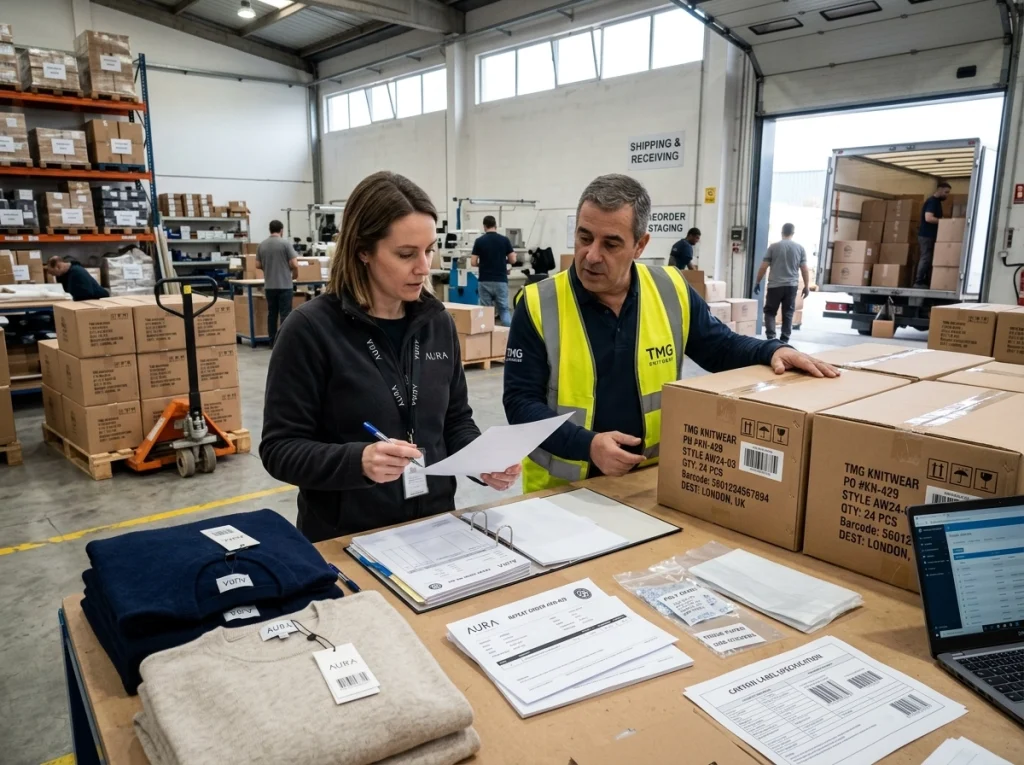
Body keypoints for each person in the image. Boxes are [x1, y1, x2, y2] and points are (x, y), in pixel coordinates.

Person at [503, 174, 837, 493]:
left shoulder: (670, 290)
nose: (591, 255)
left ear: (640, 245)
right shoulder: (538, 304)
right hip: (560, 492)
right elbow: (520, 404)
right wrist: (587, 446)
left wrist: (771, 351)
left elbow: (718, 346)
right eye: (584, 237)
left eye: (611, 243)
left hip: (650, 482)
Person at [260, 171, 521, 543]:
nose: (424, 267)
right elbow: (279, 449)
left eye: (429, 250)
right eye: (405, 254)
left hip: (435, 528)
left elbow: (455, 420)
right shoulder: (310, 330)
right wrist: (358, 462)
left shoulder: (438, 324)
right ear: (362, 250)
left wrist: (482, 461)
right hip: (347, 539)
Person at [754, 223, 809, 343]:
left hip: (775, 286)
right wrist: (806, 286)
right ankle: (784, 339)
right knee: (788, 312)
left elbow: (763, 267)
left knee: (770, 312)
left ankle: (771, 338)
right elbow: (804, 268)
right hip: (791, 287)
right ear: (793, 233)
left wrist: (758, 281)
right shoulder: (799, 248)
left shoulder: (773, 247)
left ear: (782, 232)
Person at [256, 219, 299, 346]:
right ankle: (284, 343)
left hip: (269, 286)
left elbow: (257, 264)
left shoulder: (261, 245)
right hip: (285, 285)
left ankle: (272, 342)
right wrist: (295, 274)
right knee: (285, 315)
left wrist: (268, 267)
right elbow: (294, 263)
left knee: (272, 314)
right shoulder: (285, 244)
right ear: (281, 230)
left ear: (270, 230)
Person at [471, 215, 516, 326]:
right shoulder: (504, 240)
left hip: (484, 280)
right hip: (501, 280)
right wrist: (502, 265)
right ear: (495, 225)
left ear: (484, 226)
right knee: (504, 310)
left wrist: (483, 265)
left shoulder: (479, 241)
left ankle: (488, 338)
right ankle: (507, 337)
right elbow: (513, 259)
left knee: (486, 312)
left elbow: (473, 262)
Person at [914, 182, 951, 287]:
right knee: (926, 257)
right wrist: (943, 221)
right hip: (926, 235)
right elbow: (928, 218)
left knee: (928, 258)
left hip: (929, 235)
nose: (947, 195)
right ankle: (919, 281)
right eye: (946, 192)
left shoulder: (936, 202)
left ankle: (924, 280)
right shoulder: (932, 202)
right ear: (939, 189)